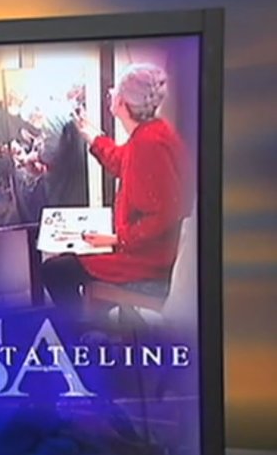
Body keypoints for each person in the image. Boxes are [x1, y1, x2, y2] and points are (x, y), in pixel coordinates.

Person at [41, 63, 189, 313]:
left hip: (148, 262)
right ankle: (93, 323)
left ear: (122, 102)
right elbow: (122, 161)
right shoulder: (152, 133)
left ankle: (82, 331)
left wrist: (118, 238)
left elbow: (165, 213)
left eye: (115, 89)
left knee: (55, 271)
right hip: (149, 251)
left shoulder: (149, 144)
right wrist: (92, 135)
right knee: (67, 265)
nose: (110, 92)